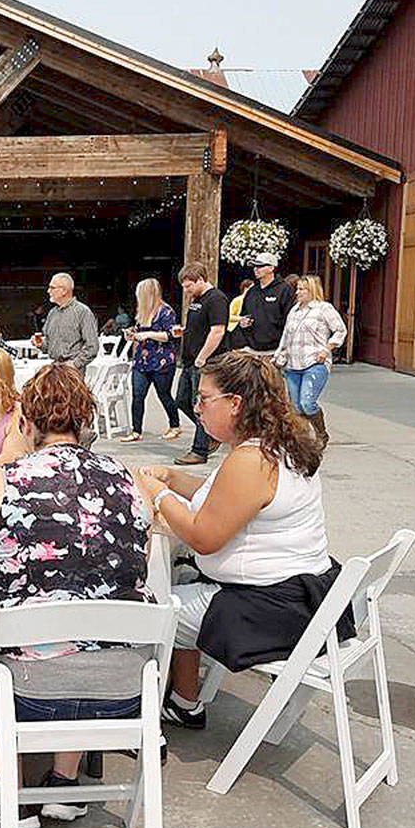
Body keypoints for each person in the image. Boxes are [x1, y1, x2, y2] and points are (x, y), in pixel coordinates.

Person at [0, 363, 155, 828]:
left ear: (25, 423)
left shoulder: (0, 482)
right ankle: (64, 780)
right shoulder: (129, 482)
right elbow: (138, 565)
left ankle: (13, 791)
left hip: (26, 687)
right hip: (122, 685)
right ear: (85, 423)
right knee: (88, 626)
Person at [134, 351, 351, 731]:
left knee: (142, 606)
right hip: (304, 596)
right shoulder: (275, 443)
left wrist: (157, 492)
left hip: (269, 610)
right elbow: (226, 498)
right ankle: (185, 701)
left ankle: (131, 714)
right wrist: (171, 477)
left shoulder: (251, 460)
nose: (197, 408)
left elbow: (203, 537)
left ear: (235, 403)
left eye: (203, 399)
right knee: (181, 578)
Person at [275, 275, 347, 449]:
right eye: (297, 289)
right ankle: (303, 439)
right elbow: (286, 336)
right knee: (296, 407)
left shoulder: (323, 309)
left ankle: (321, 434)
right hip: (293, 364)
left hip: (314, 362)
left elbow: (340, 330)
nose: (298, 292)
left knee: (307, 403)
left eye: (302, 289)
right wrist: (279, 354)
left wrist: (327, 349)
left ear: (312, 290)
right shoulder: (294, 310)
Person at [174, 264, 230, 466]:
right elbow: (198, 327)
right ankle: (210, 433)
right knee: (181, 400)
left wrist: (202, 357)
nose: (186, 290)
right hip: (189, 360)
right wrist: (184, 332)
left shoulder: (216, 299)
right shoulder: (196, 300)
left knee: (201, 404)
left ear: (200, 279)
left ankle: (199, 450)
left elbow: (217, 331)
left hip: (205, 362)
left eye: (189, 286)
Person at [119, 278, 180, 444]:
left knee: (164, 394)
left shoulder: (166, 311)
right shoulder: (142, 312)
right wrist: (131, 334)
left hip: (162, 360)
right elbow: (138, 331)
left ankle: (175, 425)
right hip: (141, 361)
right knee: (137, 395)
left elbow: (170, 335)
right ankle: (136, 430)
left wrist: (148, 334)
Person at [36, 272, 98, 373]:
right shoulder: (52, 313)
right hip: (54, 369)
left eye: (52, 288)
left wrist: (75, 364)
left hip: (73, 372)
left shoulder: (82, 312)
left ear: (64, 291)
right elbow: (49, 345)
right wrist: (40, 344)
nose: (48, 291)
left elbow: (92, 346)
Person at [237, 253, 295, 353]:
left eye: (260, 266)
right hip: (252, 349)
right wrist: (243, 323)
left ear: (271, 268)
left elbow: (290, 320)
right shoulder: (251, 291)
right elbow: (244, 315)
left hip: (275, 351)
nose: (256, 269)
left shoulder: (285, 289)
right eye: (254, 266)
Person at [226, 278, 252, 347]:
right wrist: (241, 318)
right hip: (235, 330)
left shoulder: (253, 301)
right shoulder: (238, 300)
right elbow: (228, 316)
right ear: (245, 288)